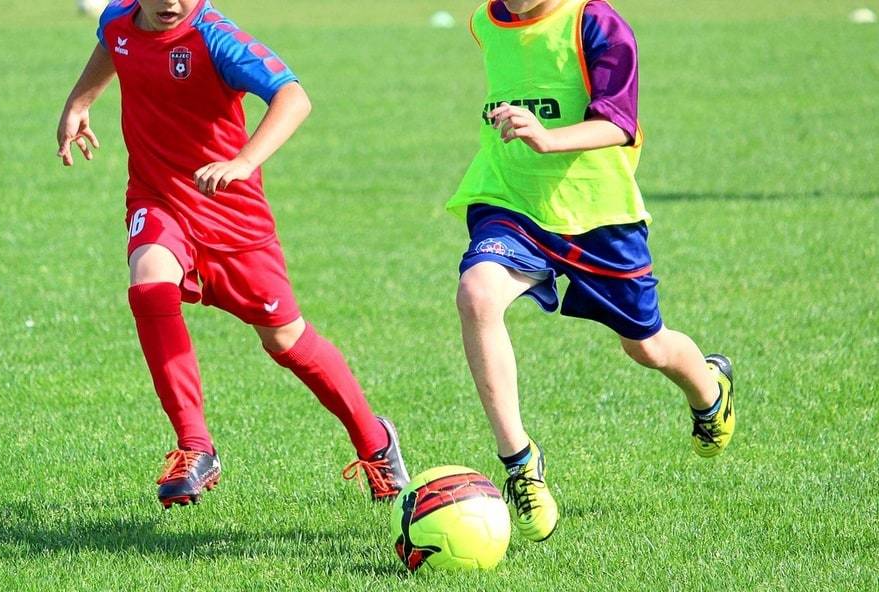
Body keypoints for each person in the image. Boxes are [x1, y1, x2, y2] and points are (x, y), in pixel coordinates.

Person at [56, 0, 408, 508]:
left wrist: (244, 161)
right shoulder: (118, 18)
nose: (171, 4)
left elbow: (294, 97)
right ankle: (195, 446)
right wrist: (79, 103)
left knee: (287, 341)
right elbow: (113, 45)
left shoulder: (217, 38)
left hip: (232, 219)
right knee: (149, 281)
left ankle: (376, 443)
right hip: (159, 199)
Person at [448, 0, 735, 541]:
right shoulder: (484, 22)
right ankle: (519, 465)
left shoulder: (597, 23)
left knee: (646, 346)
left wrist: (548, 136)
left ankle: (709, 389)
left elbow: (620, 123)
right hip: (512, 201)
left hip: (599, 215)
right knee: (477, 295)